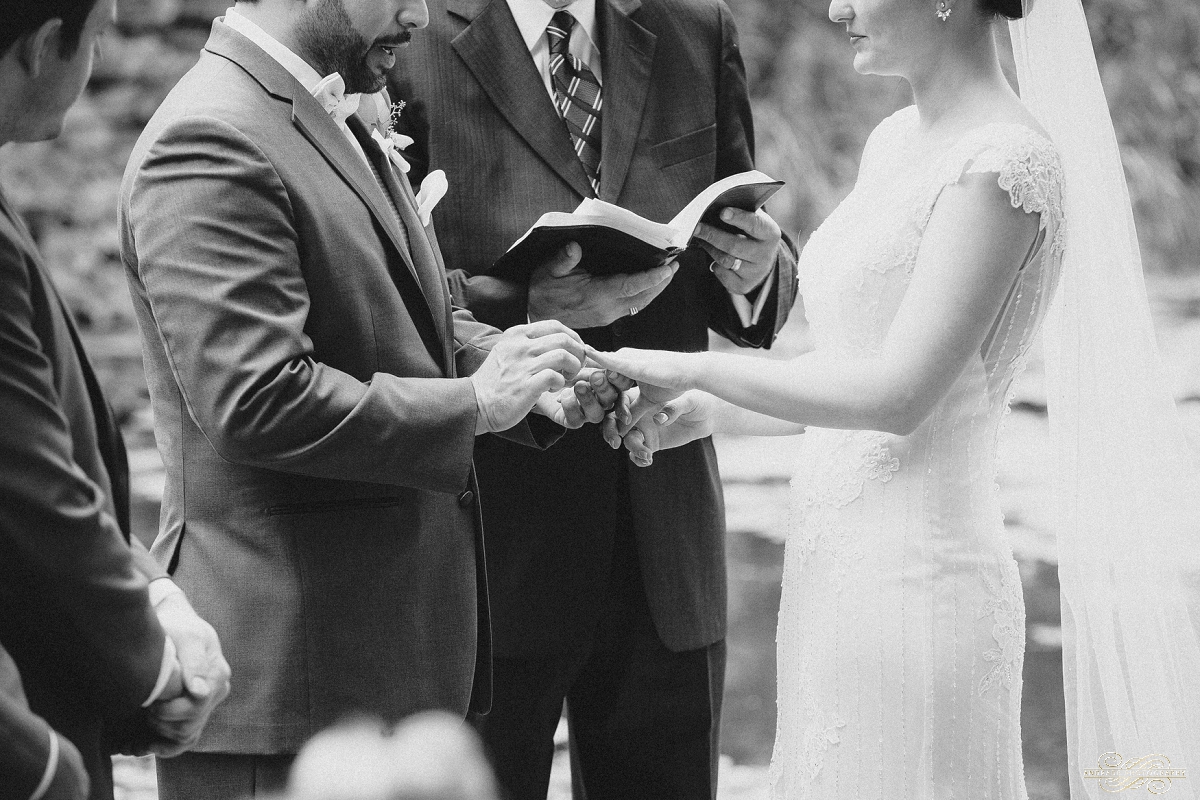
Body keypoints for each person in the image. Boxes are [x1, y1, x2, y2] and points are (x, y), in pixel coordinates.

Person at [591, 0, 1200, 796]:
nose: (837, 7)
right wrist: (710, 416)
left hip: (921, 583)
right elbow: (847, 364)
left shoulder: (1004, 168)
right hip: (834, 573)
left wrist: (691, 368)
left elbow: (901, 396)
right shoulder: (894, 142)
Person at [117, 1, 612, 797]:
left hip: (387, 662)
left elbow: (397, 313)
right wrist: (474, 406)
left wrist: (522, 369)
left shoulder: (324, 105)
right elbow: (257, 398)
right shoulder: (208, 136)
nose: (420, 14)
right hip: (293, 678)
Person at [389, 0, 798, 794]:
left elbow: (739, 256)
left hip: (662, 540)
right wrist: (526, 307)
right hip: (487, 549)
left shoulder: (696, 28)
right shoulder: (410, 37)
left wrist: (759, 275)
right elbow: (387, 288)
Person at [0, 2, 231, 797]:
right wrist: (153, 669)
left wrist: (154, 593)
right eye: (96, 38)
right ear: (40, 48)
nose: (97, 59)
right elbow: (26, 488)